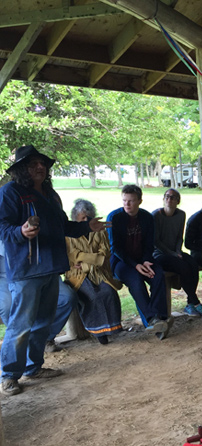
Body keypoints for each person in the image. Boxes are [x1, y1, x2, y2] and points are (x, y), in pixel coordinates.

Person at [0, 145, 107, 396]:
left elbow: (62, 226)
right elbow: (2, 227)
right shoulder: (10, 192)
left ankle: (33, 367)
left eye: (42, 163)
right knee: (21, 324)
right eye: (33, 163)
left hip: (51, 268)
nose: (40, 167)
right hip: (26, 271)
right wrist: (21, 232)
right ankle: (9, 375)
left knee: (42, 323)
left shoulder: (49, 193)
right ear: (20, 169)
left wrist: (87, 227)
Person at [107, 185, 170, 339]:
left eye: (131, 201)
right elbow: (115, 248)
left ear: (140, 201)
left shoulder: (147, 217)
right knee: (135, 280)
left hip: (143, 258)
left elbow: (149, 244)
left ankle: (160, 318)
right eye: (124, 201)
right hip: (120, 261)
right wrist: (136, 265)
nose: (127, 204)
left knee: (157, 275)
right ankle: (152, 320)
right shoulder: (114, 217)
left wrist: (146, 261)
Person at [64, 199, 123, 345]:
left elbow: (104, 254)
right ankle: (97, 332)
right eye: (82, 218)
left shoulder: (99, 231)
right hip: (77, 275)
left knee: (108, 291)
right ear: (75, 217)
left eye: (88, 217)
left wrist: (84, 260)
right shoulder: (68, 235)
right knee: (92, 295)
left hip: (100, 272)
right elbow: (73, 256)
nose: (86, 220)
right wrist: (92, 259)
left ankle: (110, 328)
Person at [152, 189, 202, 319]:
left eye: (173, 197)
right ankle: (196, 302)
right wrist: (172, 253)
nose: (169, 199)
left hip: (174, 252)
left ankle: (190, 303)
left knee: (193, 263)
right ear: (163, 199)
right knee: (182, 267)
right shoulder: (156, 215)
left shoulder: (181, 215)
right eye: (167, 196)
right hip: (159, 254)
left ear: (178, 201)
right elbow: (156, 241)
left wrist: (177, 251)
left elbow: (179, 237)